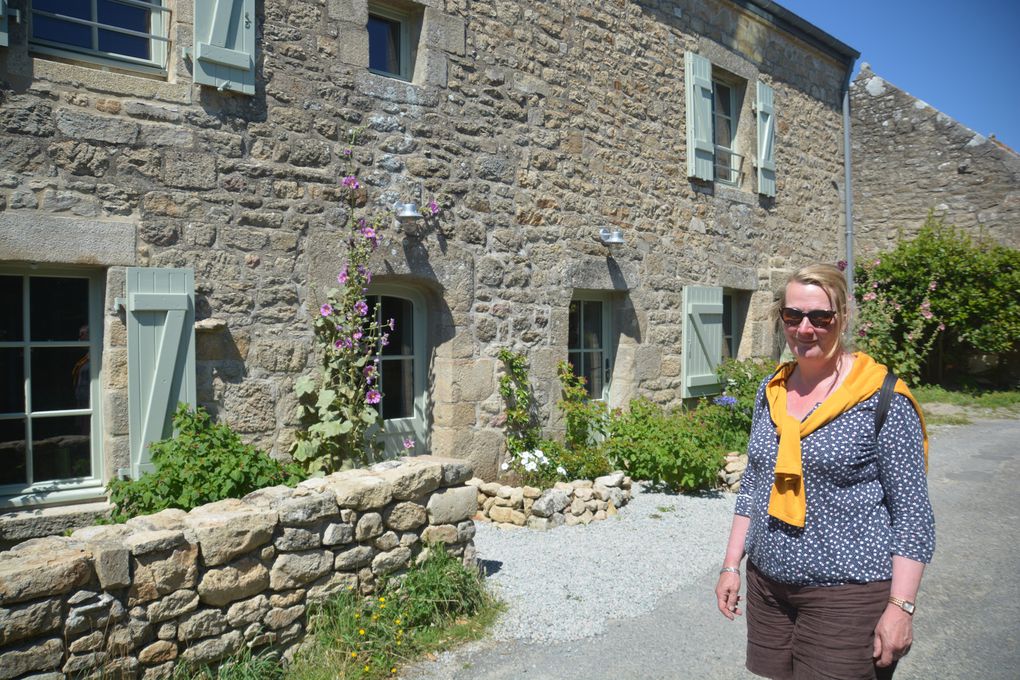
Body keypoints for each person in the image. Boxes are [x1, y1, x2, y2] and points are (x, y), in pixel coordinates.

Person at [715, 264, 935, 680]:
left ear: (843, 318)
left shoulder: (882, 398)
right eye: (793, 316)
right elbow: (755, 486)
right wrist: (731, 565)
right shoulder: (771, 390)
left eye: (820, 318)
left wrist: (901, 606)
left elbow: (913, 516)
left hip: (846, 594)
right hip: (769, 586)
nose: (805, 328)